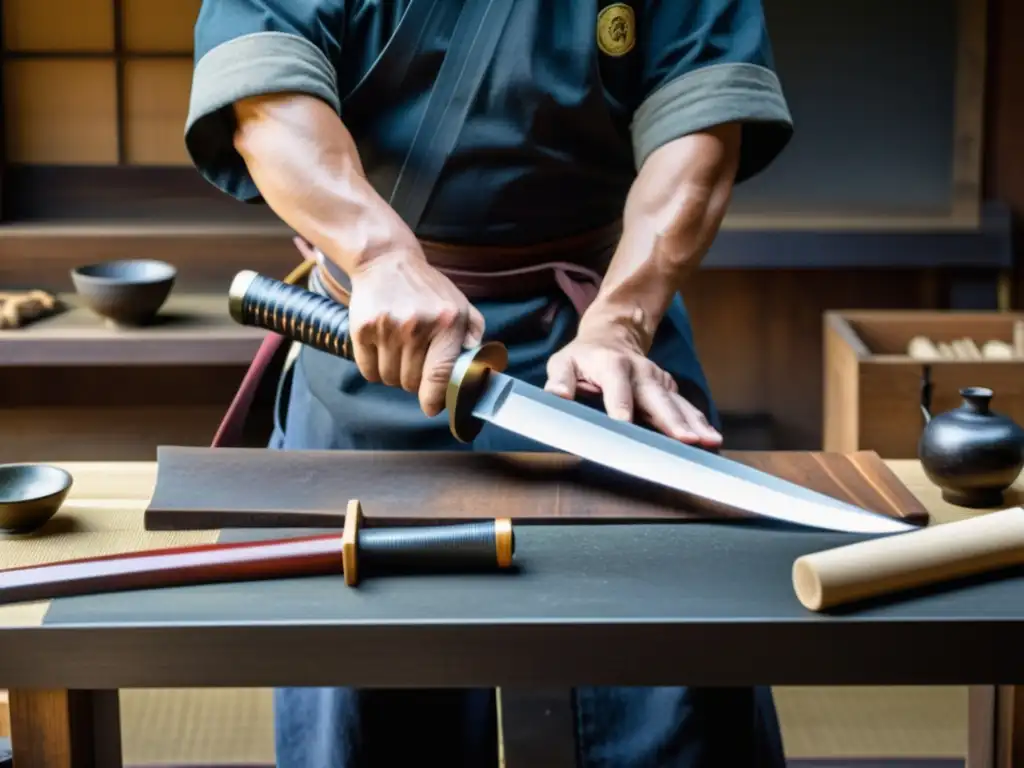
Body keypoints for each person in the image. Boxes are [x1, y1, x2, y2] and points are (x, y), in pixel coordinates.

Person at [185, 0, 794, 765]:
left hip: (605, 352)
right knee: (367, 694)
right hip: (375, 342)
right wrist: (378, 256)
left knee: (676, 683)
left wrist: (625, 319)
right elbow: (266, 96)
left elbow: (701, 124)